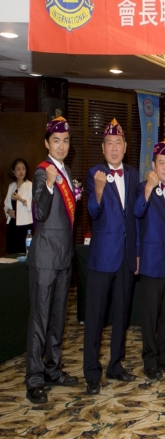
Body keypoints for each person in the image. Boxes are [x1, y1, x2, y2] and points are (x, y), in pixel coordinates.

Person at [83, 119, 139, 395]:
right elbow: (93, 212)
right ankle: (92, 372)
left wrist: (136, 253)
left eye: (119, 143)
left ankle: (115, 365)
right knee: (95, 316)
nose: (114, 148)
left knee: (122, 315)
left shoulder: (133, 174)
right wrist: (98, 190)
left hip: (126, 257)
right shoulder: (94, 173)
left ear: (125, 147)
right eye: (110, 144)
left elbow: (135, 218)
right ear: (103, 148)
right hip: (103, 257)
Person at [25, 116, 78, 405]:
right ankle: (34, 379)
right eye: (56, 140)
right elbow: (40, 213)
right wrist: (47, 184)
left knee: (58, 319)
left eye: (65, 140)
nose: (61, 145)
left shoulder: (66, 171)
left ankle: (53, 369)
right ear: (47, 143)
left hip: (64, 257)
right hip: (45, 257)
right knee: (40, 320)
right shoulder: (41, 172)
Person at [134, 139, 165, 381]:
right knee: (150, 316)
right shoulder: (143, 187)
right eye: (161, 162)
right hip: (152, 262)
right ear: (153, 165)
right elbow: (137, 212)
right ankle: (150, 360)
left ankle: (164, 355)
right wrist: (149, 188)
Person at [4, 158, 33, 254]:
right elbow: (6, 204)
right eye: (18, 169)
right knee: (11, 252)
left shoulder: (30, 186)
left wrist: (20, 199)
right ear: (13, 172)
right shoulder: (11, 186)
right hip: (12, 224)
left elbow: (34, 205)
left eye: (23, 169)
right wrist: (8, 211)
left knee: (24, 251)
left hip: (25, 224)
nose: (21, 172)